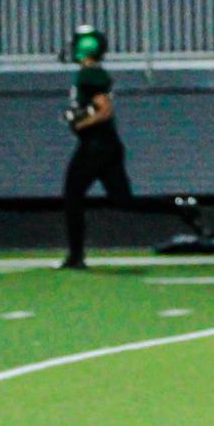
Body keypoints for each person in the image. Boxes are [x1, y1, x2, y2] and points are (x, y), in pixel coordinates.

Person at [58, 25, 132, 271]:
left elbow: (104, 111)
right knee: (123, 199)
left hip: (97, 145)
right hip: (106, 144)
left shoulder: (89, 74)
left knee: (72, 195)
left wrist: (80, 122)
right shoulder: (92, 73)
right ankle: (183, 207)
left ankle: (76, 255)